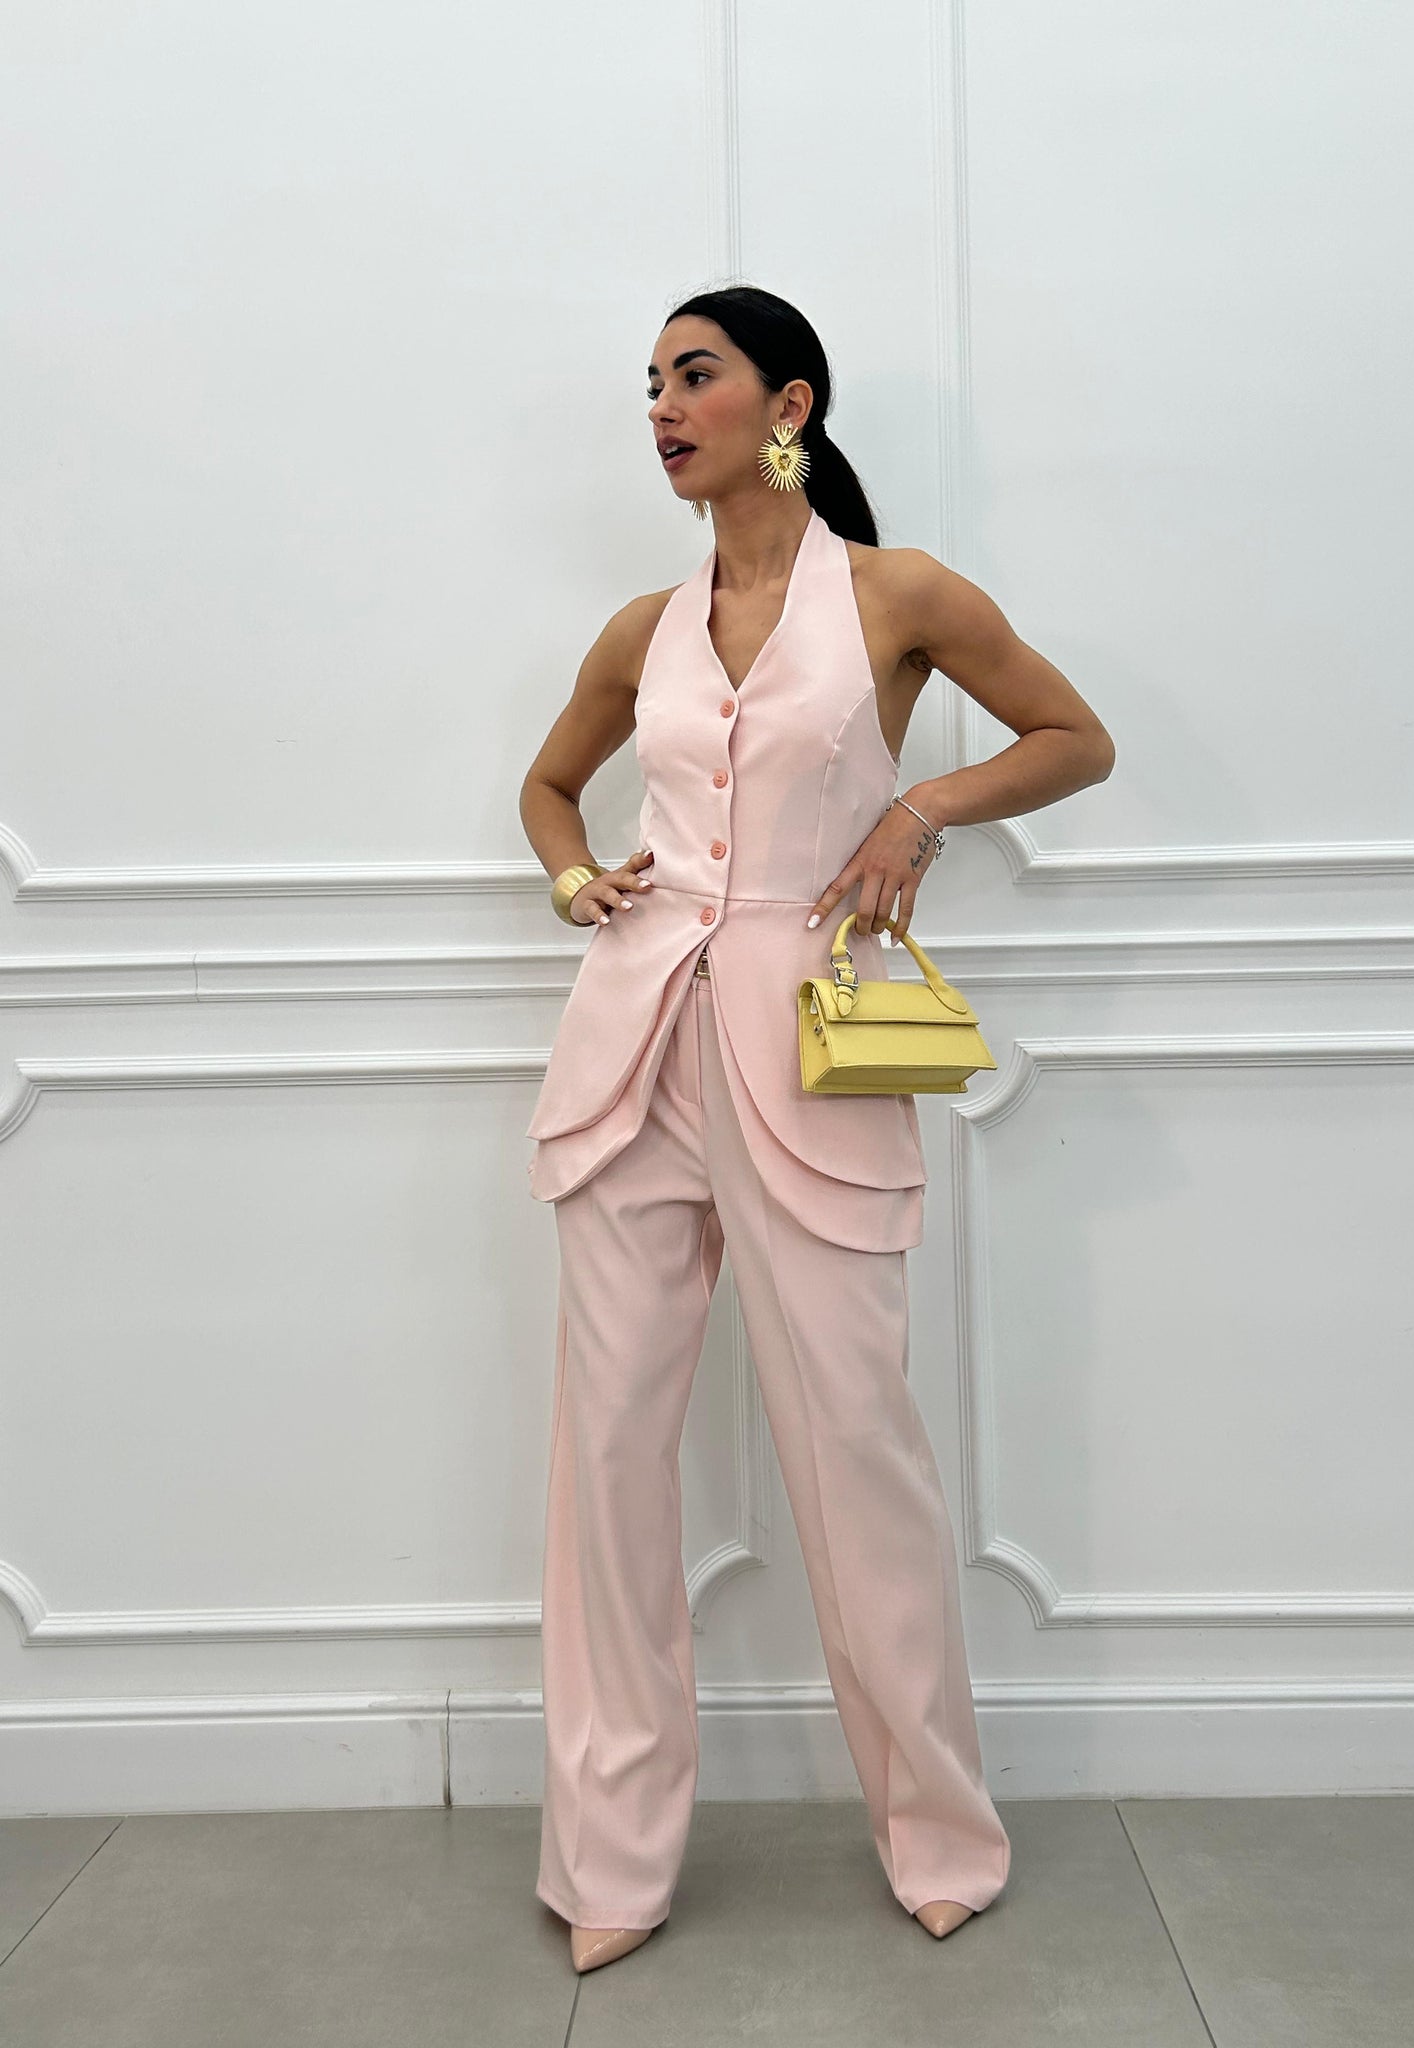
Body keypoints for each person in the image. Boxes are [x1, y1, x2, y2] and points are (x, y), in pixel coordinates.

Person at [519, 285, 1114, 1975]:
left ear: (788, 402)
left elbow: (1076, 738)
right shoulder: (641, 628)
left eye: (693, 375)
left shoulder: (898, 595)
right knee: (607, 1466)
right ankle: (609, 1860)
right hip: (631, 1054)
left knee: (857, 1447)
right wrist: (576, 876)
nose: (661, 406)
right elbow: (548, 787)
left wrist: (921, 805)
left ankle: (940, 1832)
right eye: (649, 382)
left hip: (809, 1049)